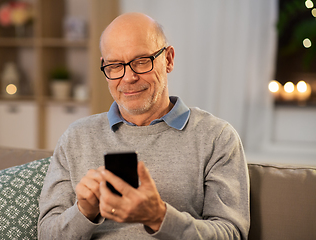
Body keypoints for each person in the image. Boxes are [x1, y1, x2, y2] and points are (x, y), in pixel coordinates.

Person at [38, 12, 250, 240]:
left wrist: (159, 217)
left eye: (141, 62)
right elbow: (47, 234)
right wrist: (84, 213)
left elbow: (232, 234)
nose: (128, 77)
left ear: (168, 59)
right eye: (115, 65)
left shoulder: (217, 137)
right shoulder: (76, 137)